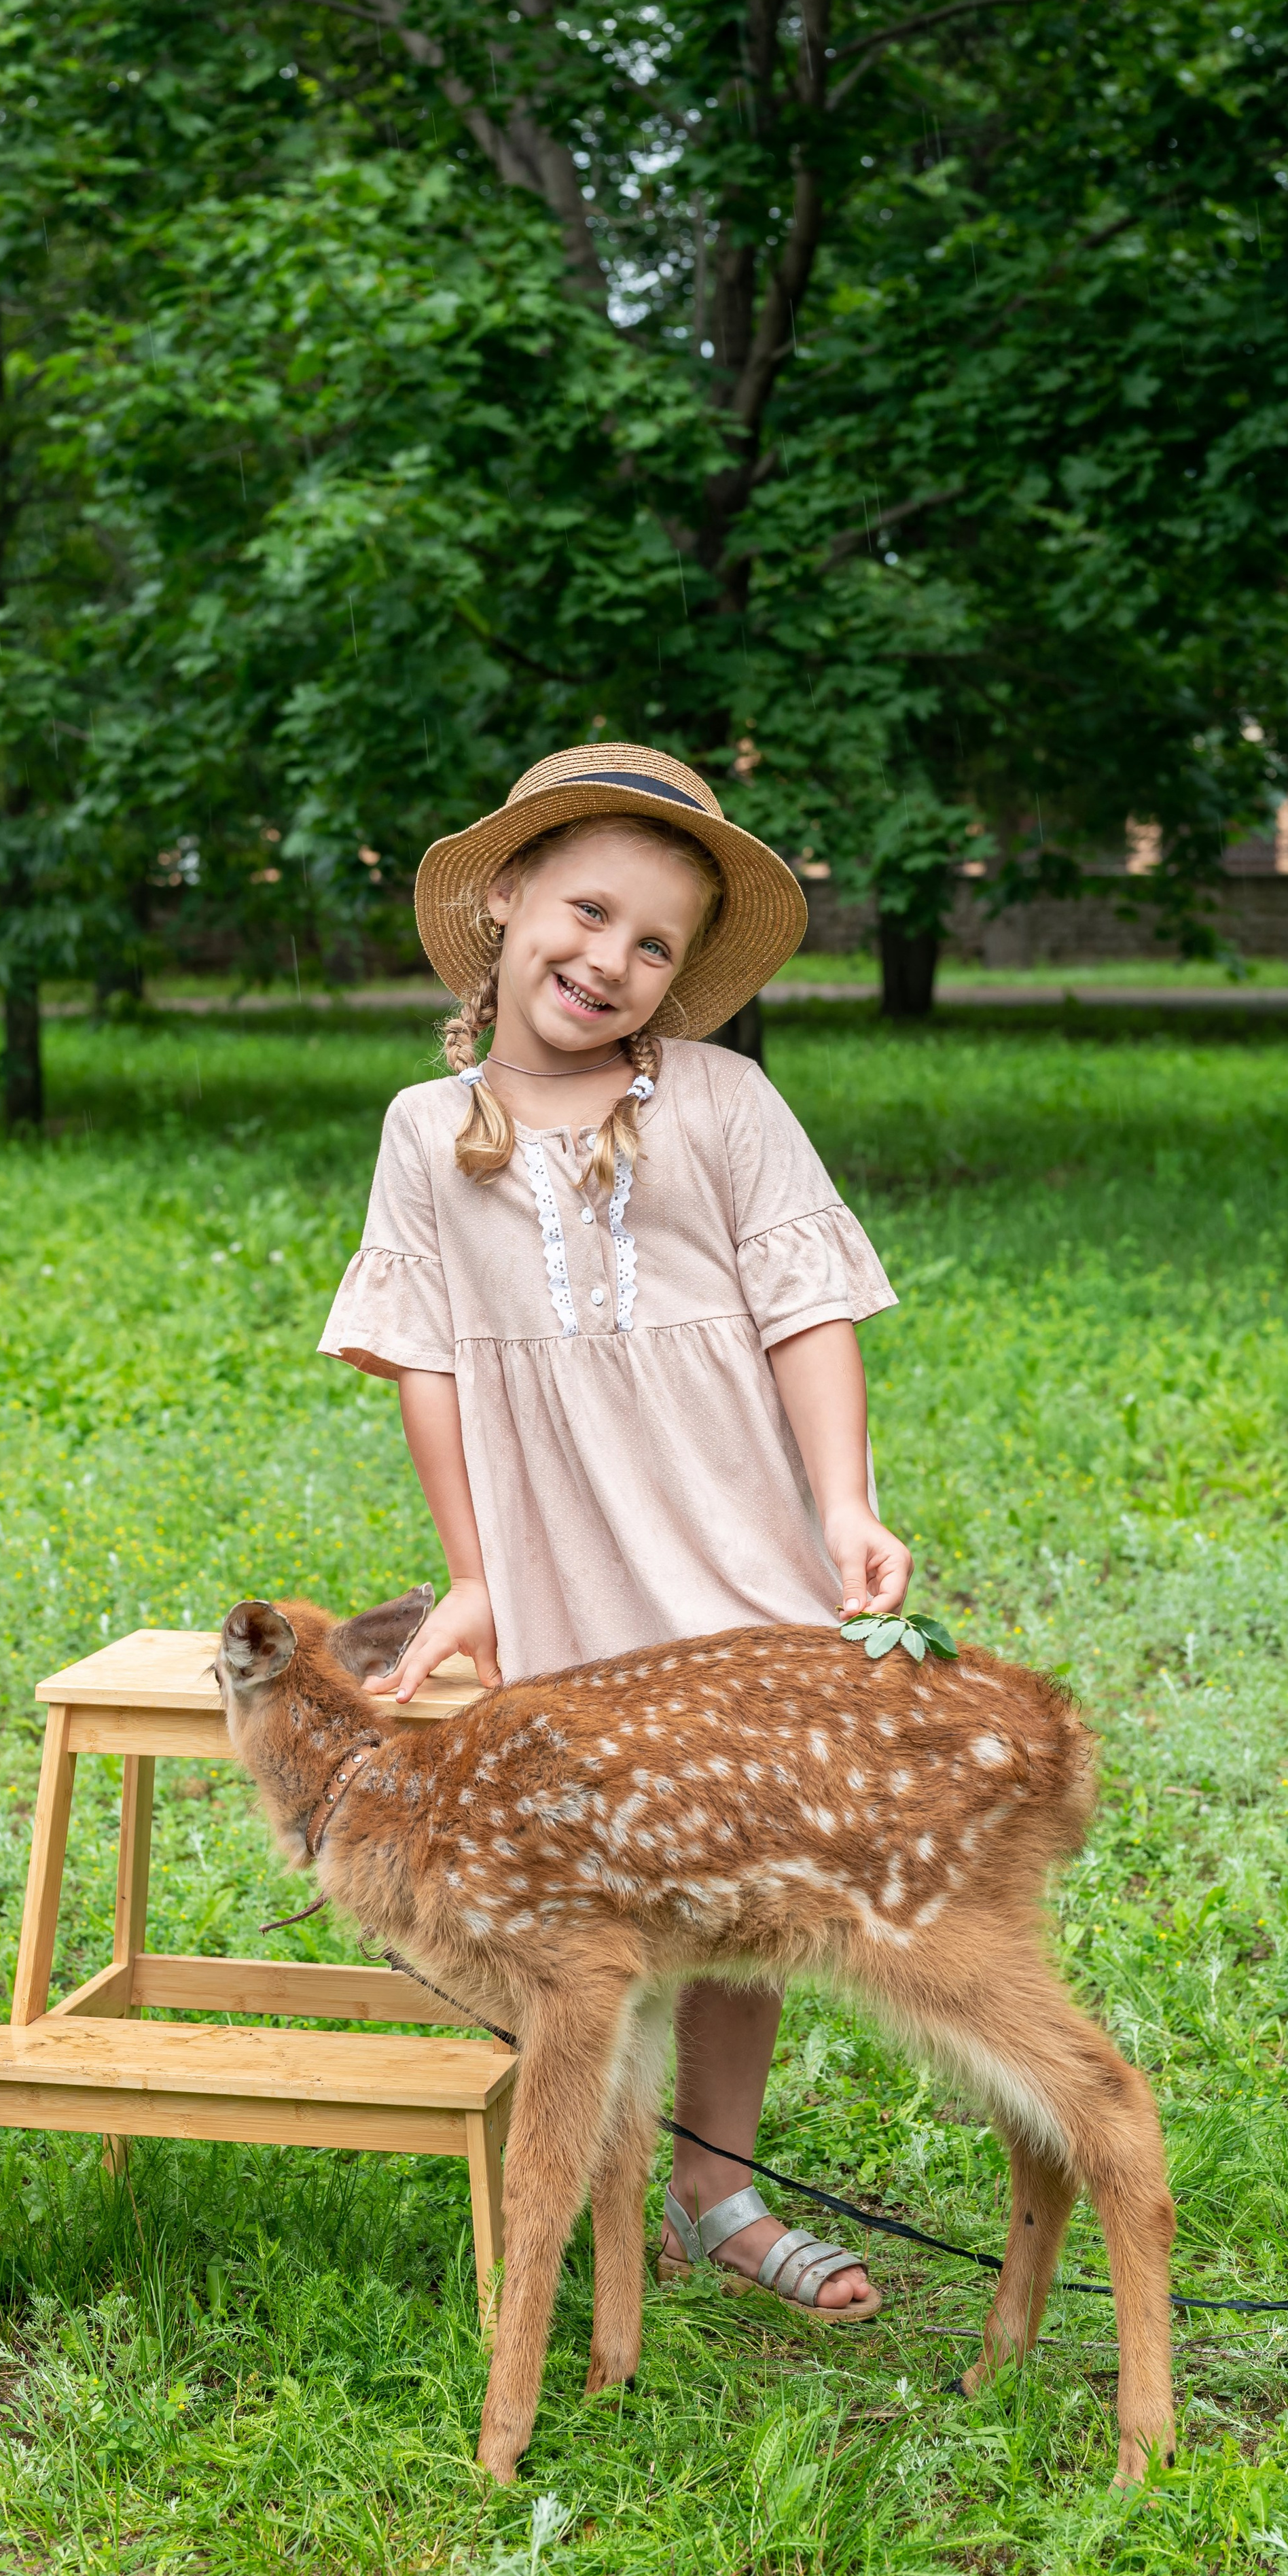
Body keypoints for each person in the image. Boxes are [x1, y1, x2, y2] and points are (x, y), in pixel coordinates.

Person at [319, 741, 910, 2318]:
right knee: (576, 1871)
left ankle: (713, 2186)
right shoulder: (422, 1127)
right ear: (503, 903)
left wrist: (843, 1504)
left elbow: (807, 1307)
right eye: (587, 912)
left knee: (733, 1870)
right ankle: (583, 2149)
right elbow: (430, 1365)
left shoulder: (718, 1099)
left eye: (653, 944)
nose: (611, 960)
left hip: (725, 1543)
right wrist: (472, 1572)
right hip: (557, 1552)